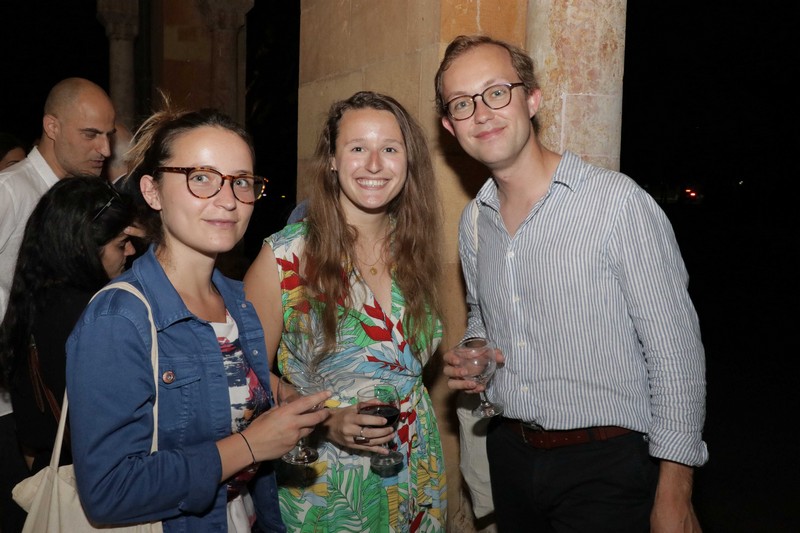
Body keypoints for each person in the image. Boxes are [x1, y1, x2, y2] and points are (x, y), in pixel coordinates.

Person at [435, 34, 708, 532]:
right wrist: (475, 345)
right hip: (511, 455)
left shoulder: (616, 204)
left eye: (497, 92)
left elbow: (676, 352)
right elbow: (482, 313)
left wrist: (676, 486)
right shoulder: (474, 222)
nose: (482, 112)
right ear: (451, 127)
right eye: (462, 103)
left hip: (609, 465)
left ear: (532, 99)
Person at [65, 106, 330, 532]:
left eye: (240, 181)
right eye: (201, 177)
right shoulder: (119, 318)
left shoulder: (239, 300)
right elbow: (108, 493)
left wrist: (281, 393)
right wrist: (250, 445)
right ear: (152, 192)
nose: (227, 200)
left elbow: (221, 380)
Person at [244, 91, 447, 532]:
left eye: (389, 149)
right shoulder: (284, 257)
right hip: (331, 482)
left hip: (417, 465)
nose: (374, 164)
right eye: (357, 148)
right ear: (332, 159)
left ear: (407, 161)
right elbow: (249, 376)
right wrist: (324, 421)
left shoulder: (413, 247)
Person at [0, 77, 114, 533]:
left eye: (109, 134)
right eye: (90, 134)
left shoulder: (72, 200)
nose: (105, 148)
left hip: (36, 405)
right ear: (52, 126)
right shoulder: (10, 191)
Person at [0, 176, 136, 475]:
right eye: (121, 244)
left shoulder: (31, 299)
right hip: (97, 479)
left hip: (50, 472)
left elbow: (31, 430)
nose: (131, 252)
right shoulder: (97, 314)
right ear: (84, 248)